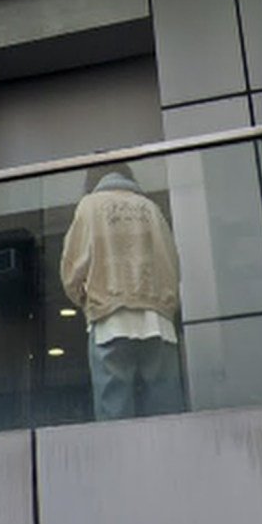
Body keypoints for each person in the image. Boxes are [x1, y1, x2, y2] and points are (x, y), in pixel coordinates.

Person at [58, 166, 185, 419]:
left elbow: (71, 268)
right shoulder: (152, 209)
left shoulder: (90, 206)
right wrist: (167, 304)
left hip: (110, 318)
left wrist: (86, 300)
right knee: (167, 410)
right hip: (158, 319)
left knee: (113, 409)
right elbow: (171, 263)